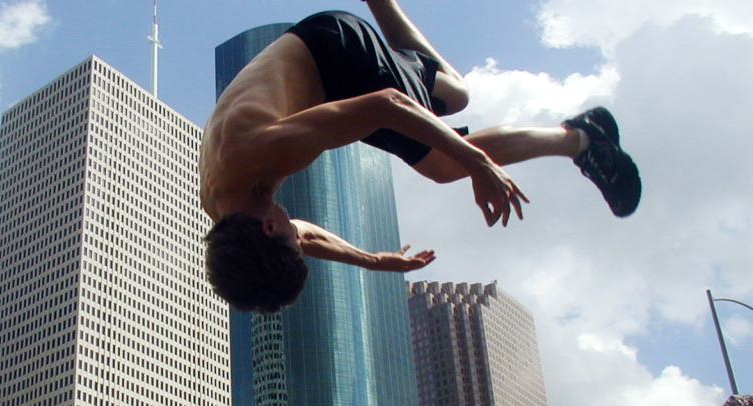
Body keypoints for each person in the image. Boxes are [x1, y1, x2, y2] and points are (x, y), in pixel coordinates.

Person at [200, 0, 640, 313]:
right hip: (320, 71)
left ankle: (582, 138)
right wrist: (374, 261)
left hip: (334, 55)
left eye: (291, 242)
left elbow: (388, 104)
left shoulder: (258, 151)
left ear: (271, 227)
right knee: (456, 94)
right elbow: (304, 237)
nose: (300, 238)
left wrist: (478, 164)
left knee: (446, 165)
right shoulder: (230, 211)